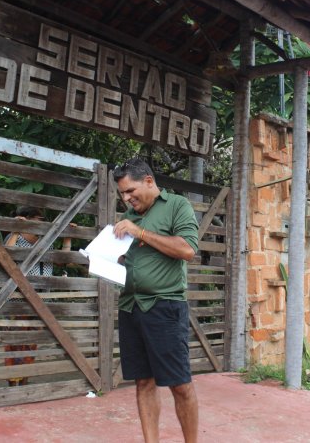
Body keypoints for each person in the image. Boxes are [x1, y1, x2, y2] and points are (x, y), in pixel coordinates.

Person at [112, 158, 200, 443]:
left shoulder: (177, 206)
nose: (127, 198)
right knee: (143, 381)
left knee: (179, 384)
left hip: (164, 307)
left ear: (149, 181)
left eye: (130, 191)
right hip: (130, 307)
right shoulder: (130, 216)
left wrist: (139, 232)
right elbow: (135, 259)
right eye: (123, 194)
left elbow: (187, 249)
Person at [3, 205, 52, 386]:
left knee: (31, 342)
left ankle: (24, 380)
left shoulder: (46, 240)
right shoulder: (15, 238)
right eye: (39, 220)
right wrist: (17, 229)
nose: (42, 223)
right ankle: (12, 382)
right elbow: (5, 255)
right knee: (15, 342)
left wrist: (69, 236)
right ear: (27, 218)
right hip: (18, 299)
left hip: (40, 299)